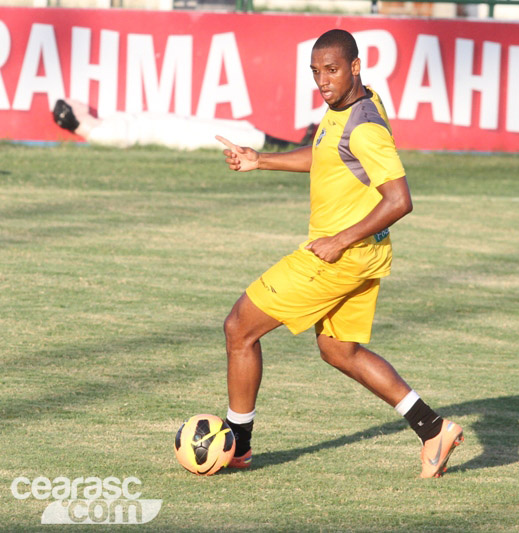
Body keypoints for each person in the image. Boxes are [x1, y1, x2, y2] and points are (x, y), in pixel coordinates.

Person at [215, 29, 463, 478]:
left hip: (337, 256)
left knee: (239, 328)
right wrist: (261, 160)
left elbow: (399, 200)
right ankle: (433, 428)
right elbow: (326, 155)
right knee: (339, 349)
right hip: (363, 255)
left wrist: (338, 240)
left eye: (331, 70)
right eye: (315, 72)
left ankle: (238, 445)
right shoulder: (346, 107)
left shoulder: (365, 125)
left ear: (354, 65)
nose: (322, 81)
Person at [52, 98, 315, 150]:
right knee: (240, 136)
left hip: (180, 128)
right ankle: (298, 148)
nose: (77, 101)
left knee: (242, 129)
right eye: (71, 103)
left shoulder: (102, 127)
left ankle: (297, 146)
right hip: (182, 135)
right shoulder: (103, 134)